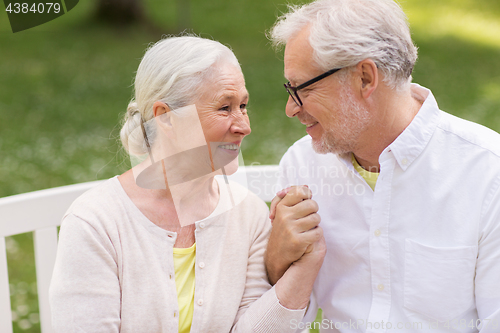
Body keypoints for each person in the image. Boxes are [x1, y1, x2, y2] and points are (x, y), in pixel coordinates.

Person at [49, 35, 325, 333]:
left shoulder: (250, 216)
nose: (244, 126)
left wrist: (307, 262)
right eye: (224, 108)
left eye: (243, 105)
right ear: (165, 118)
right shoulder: (96, 222)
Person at [265, 0, 500, 332]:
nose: (291, 108)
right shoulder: (302, 165)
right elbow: (286, 325)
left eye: (303, 88)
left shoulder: (488, 173)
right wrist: (277, 260)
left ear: (364, 78)